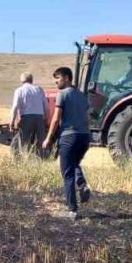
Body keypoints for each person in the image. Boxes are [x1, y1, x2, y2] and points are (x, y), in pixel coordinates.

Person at [41, 66, 92, 219]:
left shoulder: (62, 94)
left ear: (67, 78)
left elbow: (56, 119)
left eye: (58, 78)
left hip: (69, 137)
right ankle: (82, 184)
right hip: (84, 137)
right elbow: (88, 119)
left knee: (67, 173)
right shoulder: (82, 96)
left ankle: (72, 210)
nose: (56, 81)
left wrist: (48, 138)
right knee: (73, 163)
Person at [9, 72, 48, 160]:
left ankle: (23, 161)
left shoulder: (19, 90)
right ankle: (41, 161)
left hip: (26, 118)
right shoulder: (39, 89)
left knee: (24, 142)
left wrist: (12, 122)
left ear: (21, 80)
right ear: (31, 80)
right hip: (39, 118)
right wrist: (46, 119)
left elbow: (15, 107)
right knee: (41, 142)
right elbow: (46, 106)